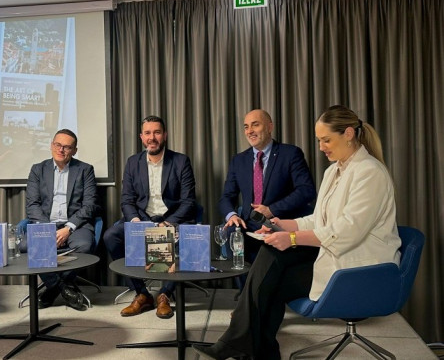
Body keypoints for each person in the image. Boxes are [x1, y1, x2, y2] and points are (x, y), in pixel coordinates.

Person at [194, 105, 402, 360]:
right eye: (319, 140)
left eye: (326, 140)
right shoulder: (333, 171)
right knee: (270, 264)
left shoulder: (370, 172)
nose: (321, 147)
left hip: (361, 269)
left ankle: (242, 345)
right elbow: (318, 219)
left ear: (348, 134)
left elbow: (347, 231)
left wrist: (291, 238)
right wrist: (284, 224)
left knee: (270, 281)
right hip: (336, 256)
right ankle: (254, 349)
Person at [104, 115, 197, 319]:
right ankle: (142, 293)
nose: (152, 137)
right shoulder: (132, 162)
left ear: (165, 135)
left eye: (156, 132)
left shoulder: (180, 161)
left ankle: (165, 294)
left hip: (171, 218)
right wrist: (135, 221)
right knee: (111, 236)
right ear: (141, 137)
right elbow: (127, 200)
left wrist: (168, 223)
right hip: (142, 218)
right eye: (147, 133)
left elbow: (189, 201)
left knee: (187, 239)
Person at [219, 109, 316, 261]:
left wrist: (271, 210)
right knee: (231, 230)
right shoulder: (239, 160)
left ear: (270, 127)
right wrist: (232, 216)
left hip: (279, 223)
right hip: (248, 226)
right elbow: (226, 196)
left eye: (255, 125)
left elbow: (306, 190)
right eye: (246, 127)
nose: (250, 131)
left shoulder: (290, 154)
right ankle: (242, 277)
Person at [23, 129, 99, 311]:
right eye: (58, 145)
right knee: (26, 246)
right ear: (51, 145)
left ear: (74, 150)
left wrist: (68, 228)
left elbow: (89, 205)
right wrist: (48, 231)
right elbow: (32, 205)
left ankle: (51, 291)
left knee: (84, 246)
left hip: (74, 225)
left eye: (67, 147)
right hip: (45, 223)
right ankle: (62, 288)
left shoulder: (85, 170)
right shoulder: (38, 169)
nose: (61, 150)